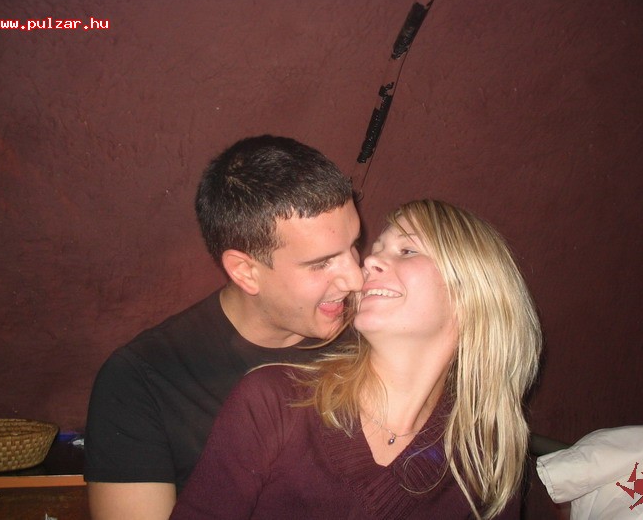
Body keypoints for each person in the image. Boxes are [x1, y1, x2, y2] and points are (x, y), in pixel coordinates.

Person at [170, 199, 542, 520]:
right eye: (376, 249)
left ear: (472, 296)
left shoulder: (485, 461)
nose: (369, 261)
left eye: (407, 251)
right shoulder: (277, 401)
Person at [84, 135, 364, 520]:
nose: (356, 278)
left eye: (354, 246)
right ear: (245, 271)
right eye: (321, 263)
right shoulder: (141, 380)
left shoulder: (373, 335)